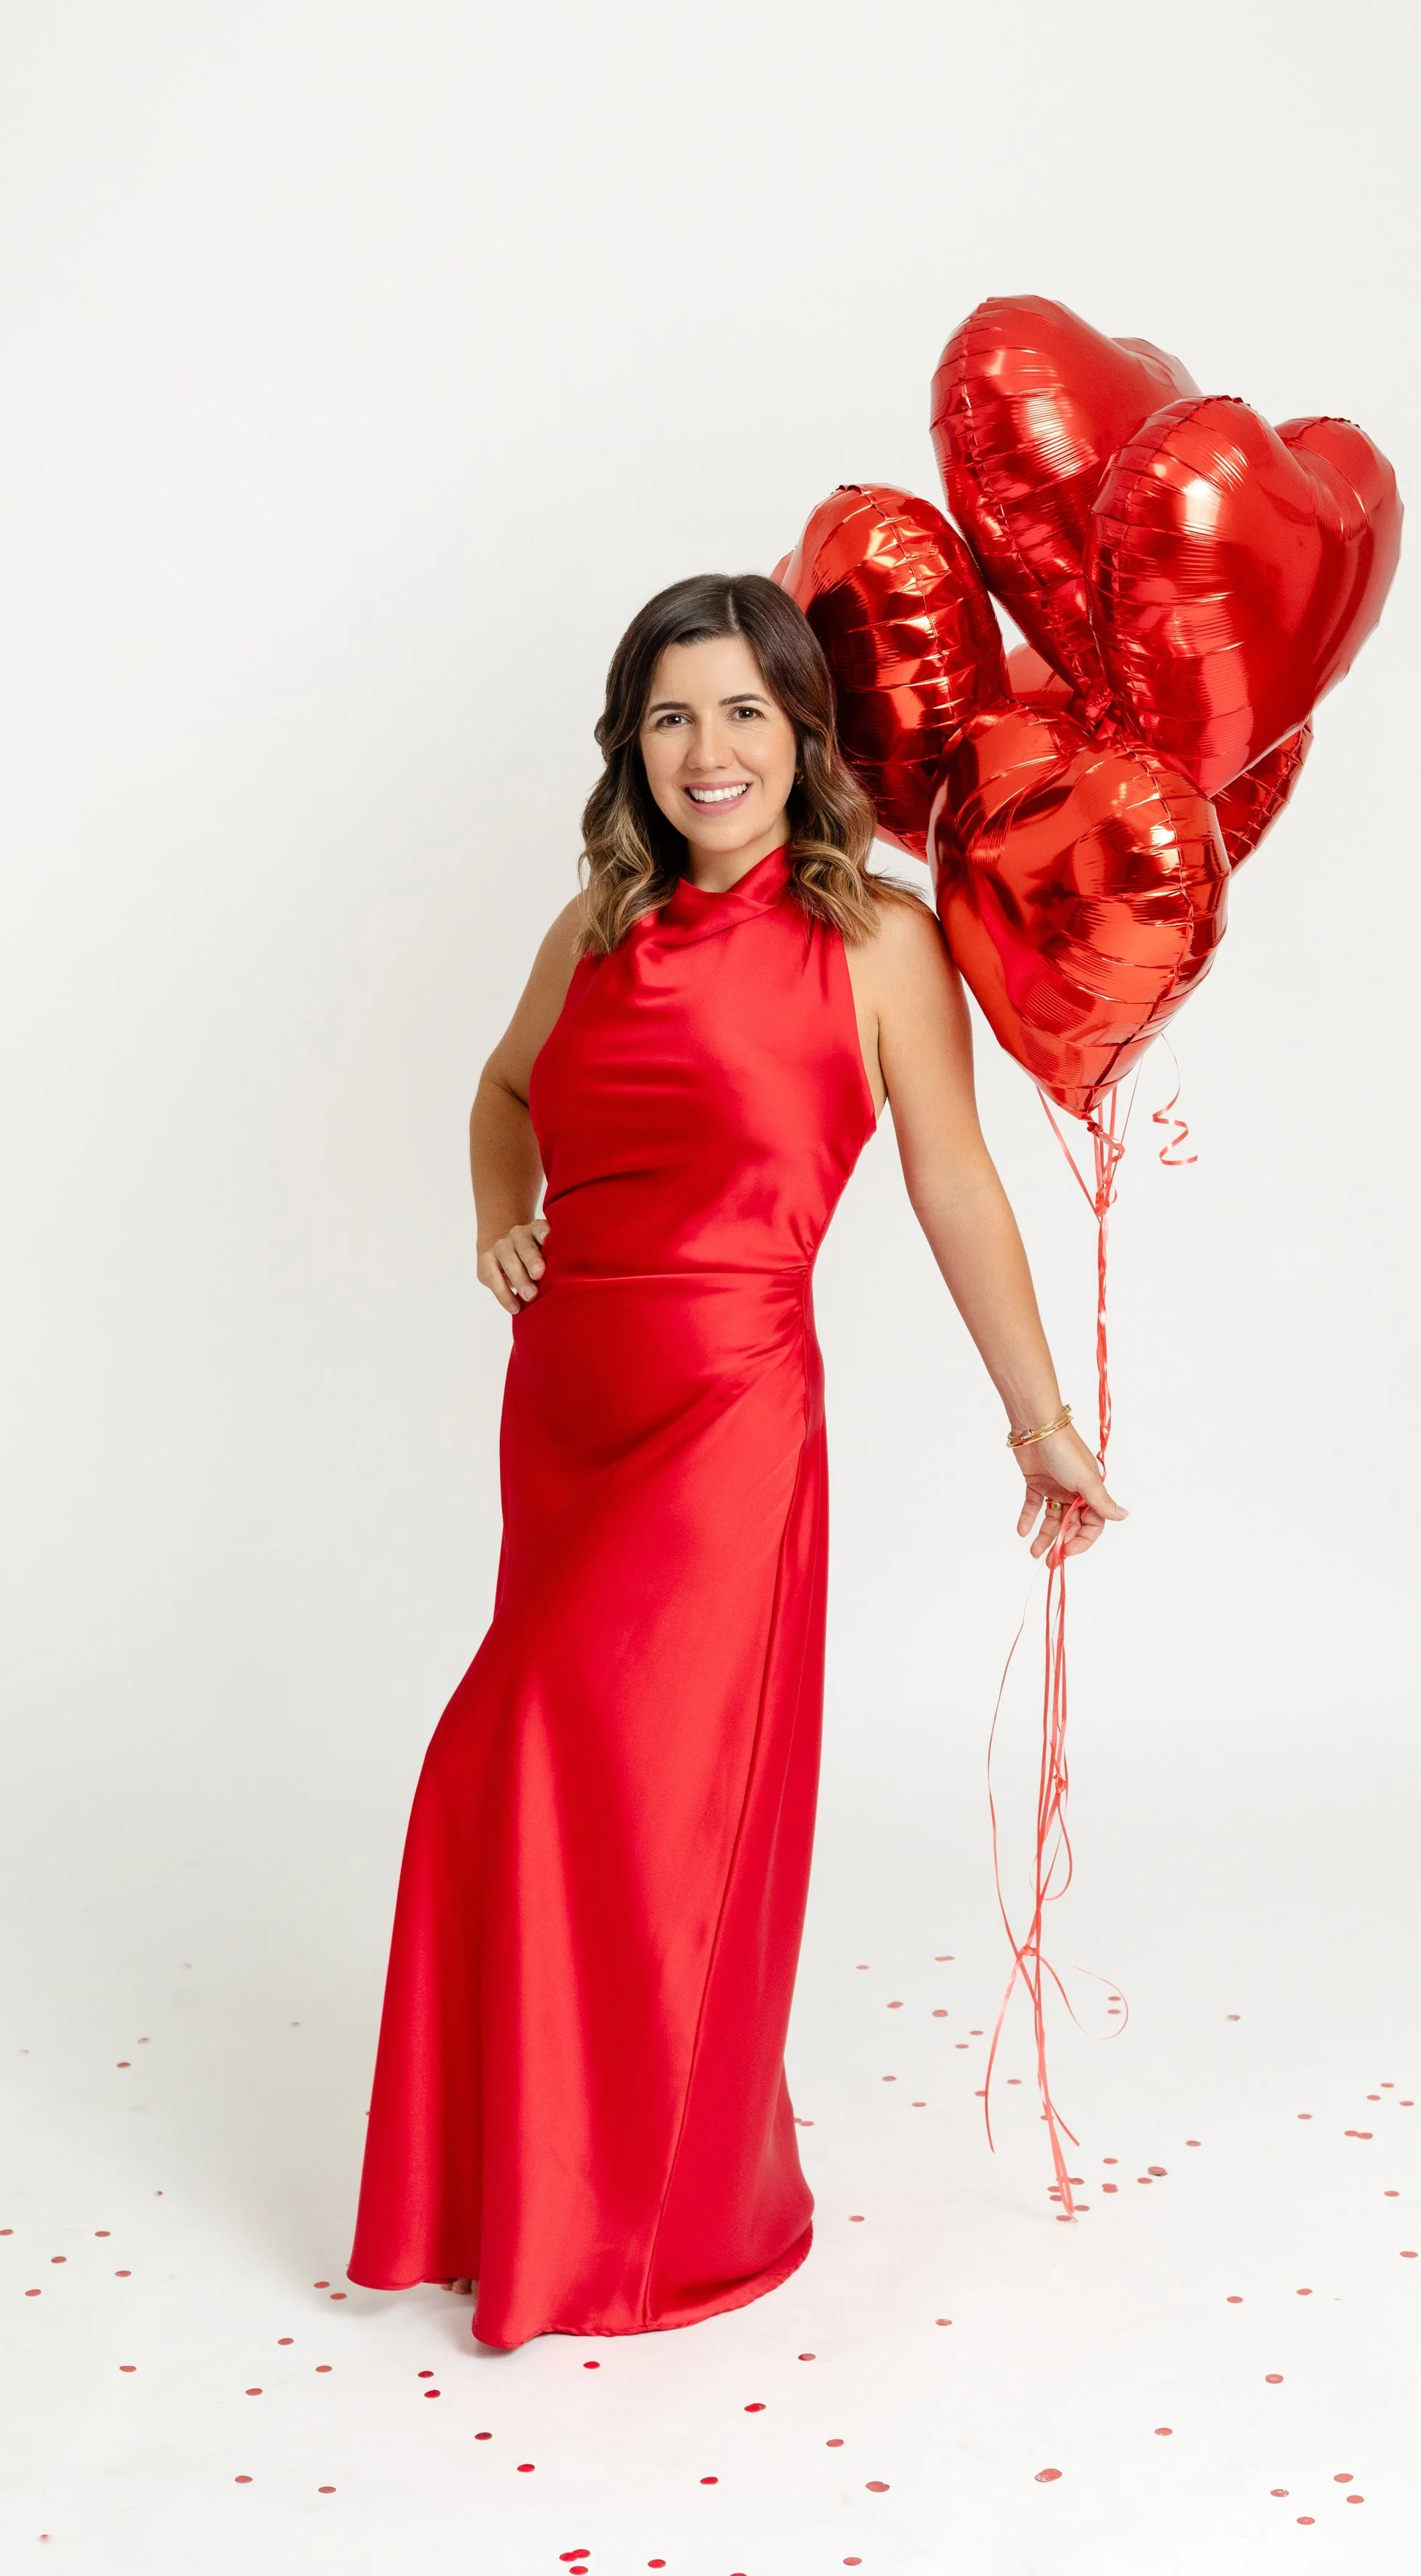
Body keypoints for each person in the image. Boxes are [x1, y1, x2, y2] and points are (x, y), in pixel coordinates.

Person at [346, 573, 1123, 2349]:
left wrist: (1039, 1417)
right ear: (632, 744)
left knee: (628, 1804)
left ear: (801, 735)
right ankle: (520, 2192)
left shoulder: (878, 943)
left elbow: (952, 1183)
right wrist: (499, 1218)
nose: (708, 750)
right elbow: (500, 1094)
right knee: (530, 1781)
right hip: (566, 1404)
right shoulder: (594, 923)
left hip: (725, 1421)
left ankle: (647, 2220)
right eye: (672, 716)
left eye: (744, 712)